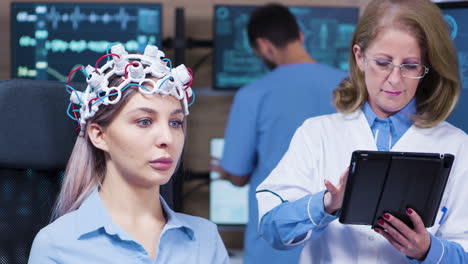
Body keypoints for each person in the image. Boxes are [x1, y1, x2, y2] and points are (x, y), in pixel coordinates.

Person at [256, 0, 468, 263]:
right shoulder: (316, 134)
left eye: (410, 66)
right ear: (360, 57)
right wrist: (326, 204)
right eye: (383, 62)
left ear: (427, 69)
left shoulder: (457, 145)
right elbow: (272, 230)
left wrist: (428, 250)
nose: (394, 79)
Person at [28, 44, 229, 263]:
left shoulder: (206, 239)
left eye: (175, 122)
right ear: (99, 135)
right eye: (144, 122)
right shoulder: (57, 245)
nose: (167, 139)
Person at [213, 3, 347, 264]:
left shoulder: (253, 95)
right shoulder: (351, 86)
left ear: (264, 46)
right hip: (340, 246)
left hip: (274, 249)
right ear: (301, 35)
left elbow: (238, 175)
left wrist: (225, 171)